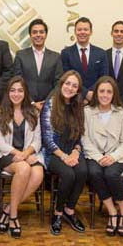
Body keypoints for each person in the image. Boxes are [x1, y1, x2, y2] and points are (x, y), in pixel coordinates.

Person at [0, 76, 44, 238]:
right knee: (23, 169)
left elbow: (37, 140)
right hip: (6, 154)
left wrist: (27, 153)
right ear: (8, 93)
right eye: (12, 90)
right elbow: (0, 143)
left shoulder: (34, 112)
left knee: (38, 174)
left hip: (28, 153)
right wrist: (20, 155)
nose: (16, 94)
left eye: (20, 90)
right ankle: (14, 215)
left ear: (25, 93)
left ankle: (7, 209)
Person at [83, 76, 123, 236]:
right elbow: (85, 139)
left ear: (114, 94)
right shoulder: (87, 112)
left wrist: (113, 157)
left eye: (109, 92)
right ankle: (112, 211)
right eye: (101, 91)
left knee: (111, 174)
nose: (105, 95)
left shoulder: (121, 113)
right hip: (95, 154)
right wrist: (98, 157)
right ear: (96, 93)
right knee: (94, 172)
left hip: (118, 154)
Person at [41, 70, 88, 236]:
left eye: (74, 85)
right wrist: (64, 156)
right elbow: (47, 139)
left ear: (78, 90)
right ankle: (58, 213)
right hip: (53, 153)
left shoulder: (78, 107)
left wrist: (76, 152)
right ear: (61, 84)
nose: (70, 88)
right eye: (67, 83)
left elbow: (80, 134)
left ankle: (69, 210)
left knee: (83, 171)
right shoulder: (51, 104)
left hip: (72, 151)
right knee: (68, 174)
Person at [13, 18, 63, 111]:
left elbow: (58, 83)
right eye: (35, 32)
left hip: (49, 107)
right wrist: (31, 102)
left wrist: (46, 102)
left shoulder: (56, 57)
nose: (38, 35)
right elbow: (17, 81)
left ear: (46, 34)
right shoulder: (20, 55)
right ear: (30, 35)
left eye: (41, 32)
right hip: (25, 105)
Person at [61, 17, 108, 101]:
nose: (82, 32)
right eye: (79, 29)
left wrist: (91, 94)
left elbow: (103, 77)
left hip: (95, 99)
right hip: (73, 99)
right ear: (75, 32)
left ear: (91, 32)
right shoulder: (66, 53)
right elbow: (65, 78)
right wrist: (85, 93)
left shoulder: (101, 53)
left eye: (86, 29)